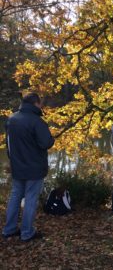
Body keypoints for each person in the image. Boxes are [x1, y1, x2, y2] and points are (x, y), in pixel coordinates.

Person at [2, 92, 54, 242]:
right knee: (31, 199)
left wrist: (12, 162)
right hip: (34, 168)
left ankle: (9, 229)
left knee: (15, 196)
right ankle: (27, 233)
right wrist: (52, 138)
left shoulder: (11, 119)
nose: (41, 106)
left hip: (17, 166)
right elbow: (46, 143)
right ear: (35, 103)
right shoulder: (37, 121)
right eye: (40, 103)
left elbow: (9, 145)